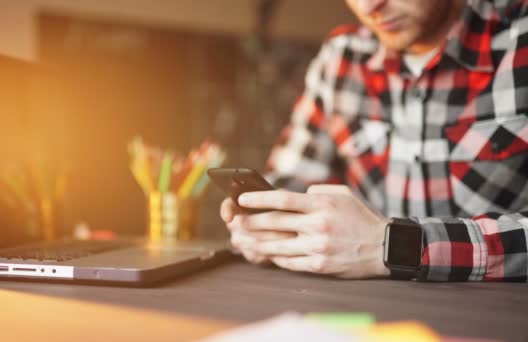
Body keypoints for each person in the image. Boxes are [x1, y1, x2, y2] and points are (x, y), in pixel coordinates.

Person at [220, 0, 528, 282]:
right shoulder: (342, 56)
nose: (369, 7)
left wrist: (393, 246)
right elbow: (293, 178)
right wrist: (266, 225)